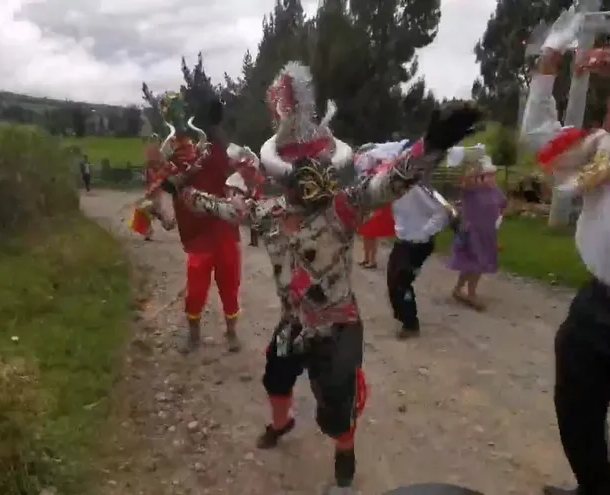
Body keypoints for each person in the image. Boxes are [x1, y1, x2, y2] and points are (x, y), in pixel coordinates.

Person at [168, 60, 482, 494]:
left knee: (338, 401)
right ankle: (282, 423)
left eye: (316, 167)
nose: (309, 178)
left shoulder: (344, 209)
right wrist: (182, 192)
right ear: (286, 179)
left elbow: (388, 183)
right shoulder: (268, 214)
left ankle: (344, 451)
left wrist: (431, 145)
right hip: (293, 322)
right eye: (300, 172)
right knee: (275, 376)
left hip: (337, 326)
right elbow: (221, 206)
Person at [521, 17, 610, 494]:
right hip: (597, 306)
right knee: (576, 409)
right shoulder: (604, 148)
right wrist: (548, 65)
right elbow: (540, 138)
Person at [155, 90, 244, 354]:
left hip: (224, 230)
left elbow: (242, 182)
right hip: (200, 235)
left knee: (230, 283)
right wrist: (185, 171)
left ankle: (231, 333)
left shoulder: (225, 153)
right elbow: (170, 185)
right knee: (196, 287)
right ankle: (194, 335)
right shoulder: (185, 156)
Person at [387, 166, 454, 340]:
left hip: (418, 244)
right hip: (403, 241)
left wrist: (423, 233)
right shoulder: (395, 191)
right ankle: (403, 315)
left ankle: (410, 323)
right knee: (393, 280)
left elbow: (443, 212)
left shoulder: (417, 191)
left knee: (402, 281)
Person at [446, 145, 506, 311]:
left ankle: (458, 289)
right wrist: (474, 165)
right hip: (472, 233)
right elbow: (465, 182)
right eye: (487, 176)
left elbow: (502, 207)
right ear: (479, 177)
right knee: (476, 264)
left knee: (473, 264)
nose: (491, 179)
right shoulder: (471, 191)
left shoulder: (496, 192)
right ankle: (471, 294)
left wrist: (498, 224)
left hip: (487, 233)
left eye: (493, 176)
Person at [354, 141, 406, 269]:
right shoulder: (367, 172)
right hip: (367, 204)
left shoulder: (382, 170)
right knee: (366, 233)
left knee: (371, 233)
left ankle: (372, 260)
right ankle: (367, 258)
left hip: (375, 205)